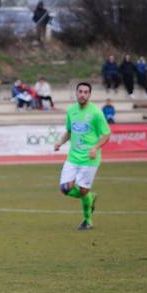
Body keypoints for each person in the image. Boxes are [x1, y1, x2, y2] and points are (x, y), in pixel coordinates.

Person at [53, 82, 111, 231]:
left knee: (83, 191)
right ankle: (90, 197)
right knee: (65, 188)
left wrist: (95, 147)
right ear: (76, 93)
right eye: (80, 91)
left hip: (89, 159)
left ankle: (88, 221)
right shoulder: (71, 110)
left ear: (89, 95)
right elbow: (69, 131)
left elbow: (106, 134)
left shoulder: (96, 113)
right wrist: (60, 142)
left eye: (86, 92)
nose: (82, 94)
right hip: (72, 158)